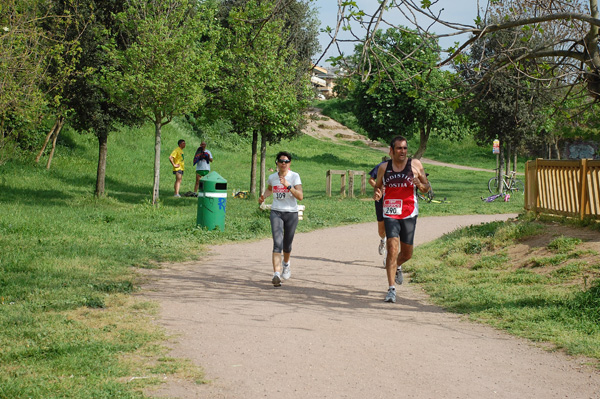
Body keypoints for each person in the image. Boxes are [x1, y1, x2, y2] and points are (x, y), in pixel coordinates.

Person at [373, 136, 430, 303]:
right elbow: (378, 186)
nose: (402, 151)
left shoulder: (415, 165)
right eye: (399, 148)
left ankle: (397, 265)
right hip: (390, 212)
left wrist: (419, 184)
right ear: (391, 151)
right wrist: (378, 193)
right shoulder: (384, 168)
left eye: (405, 148)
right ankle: (391, 289)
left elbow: (427, 188)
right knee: (392, 248)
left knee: (407, 253)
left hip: (409, 212)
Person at [258, 151, 303, 287]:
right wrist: (263, 196)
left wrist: (288, 186)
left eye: (286, 161)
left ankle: (286, 265)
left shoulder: (294, 176)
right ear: (277, 162)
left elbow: (300, 196)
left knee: (287, 245)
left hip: (291, 213)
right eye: (281, 161)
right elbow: (270, 189)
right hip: (276, 212)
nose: (283, 163)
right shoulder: (272, 177)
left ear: (290, 163)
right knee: (277, 242)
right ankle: (276, 274)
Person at [368, 156, 391, 265]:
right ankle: (383, 240)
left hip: (394, 201)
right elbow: (371, 180)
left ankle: (388, 257)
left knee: (393, 229)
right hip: (381, 200)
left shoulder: (402, 167)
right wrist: (378, 188)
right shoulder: (382, 166)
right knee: (381, 231)